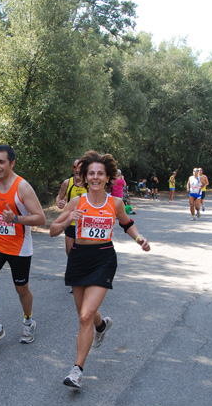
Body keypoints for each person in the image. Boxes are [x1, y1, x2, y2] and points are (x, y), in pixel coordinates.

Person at [49, 151, 150, 389]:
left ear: (107, 178)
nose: (95, 177)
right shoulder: (77, 202)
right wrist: (67, 220)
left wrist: (140, 239)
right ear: (85, 177)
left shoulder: (115, 203)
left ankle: (77, 370)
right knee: (84, 312)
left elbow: (127, 224)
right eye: (91, 173)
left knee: (85, 315)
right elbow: (53, 229)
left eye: (100, 174)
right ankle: (101, 326)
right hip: (78, 258)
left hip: (104, 258)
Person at [0, 145, 46, 349]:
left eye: (1, 162)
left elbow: (41, 218)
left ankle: (28, 321)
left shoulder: (22, 187)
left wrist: (15, 218)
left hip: (19, 246)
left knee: (21, 289)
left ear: (12, 163)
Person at [56, 159, 87, 256]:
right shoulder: (67, 183)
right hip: (70, 222)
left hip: (85, 223)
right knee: (70, 253)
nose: (77, 170)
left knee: (83, 253)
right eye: (75, 167)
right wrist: (59, 203)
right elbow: (59, 197)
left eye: (80, 167)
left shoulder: (90, 184)